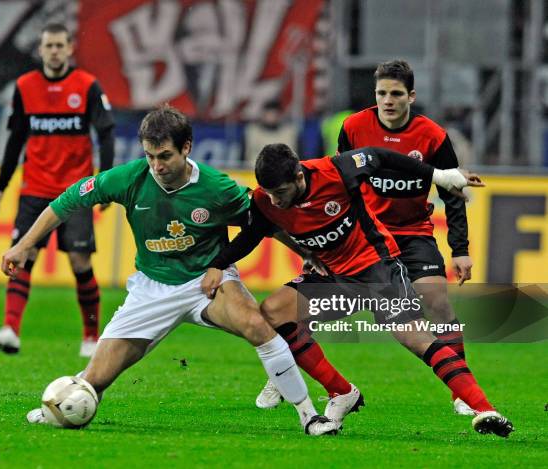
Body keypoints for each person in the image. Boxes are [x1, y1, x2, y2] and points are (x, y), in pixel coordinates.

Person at [8, 106, 339, 436]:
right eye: (150, 155)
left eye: (165, 155)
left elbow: (267, 223)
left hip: (207, 282)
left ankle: (309, 417)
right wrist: (24, 244)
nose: (157, 165)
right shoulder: (129, 178)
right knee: (94, 381)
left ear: (187, 147)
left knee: (257, 324)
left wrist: (306, 252)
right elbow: (68, 200)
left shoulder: (216, 188)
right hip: (151, 289)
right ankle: (59, 406)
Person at [202, 143, 514, 438]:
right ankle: (341, 392)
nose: (275, 201)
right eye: (269, 193)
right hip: (334, 277)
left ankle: (485, 409)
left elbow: (381, 157)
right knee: (272, 311)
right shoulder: (264, 201)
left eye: (280, 192)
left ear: (299, 176)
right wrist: (218, 264)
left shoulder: (336, 171)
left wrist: (441, 176)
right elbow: (251, 235)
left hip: (377, 270)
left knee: (417, 340)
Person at [254, 59, 480, 416]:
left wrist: (461, 250)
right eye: (381, 93)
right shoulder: (354, 126)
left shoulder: (433, 135)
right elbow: (339, 180)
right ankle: (285, 374)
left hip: (413, 232)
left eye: (395, 93)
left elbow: (450, 188)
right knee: (298, 309)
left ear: (411, 96)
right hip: (362, 235)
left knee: (436, 300)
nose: (388, 101)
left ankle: (462, 394)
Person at [0, 23, 115, 358]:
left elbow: (106, 133)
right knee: (21, 255)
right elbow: (15, 140)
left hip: (76, 192)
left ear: (70, 48)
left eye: (59, 45)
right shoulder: (25, 87)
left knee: (80, 262)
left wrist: (106, 183)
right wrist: (0, 187)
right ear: (40, 50)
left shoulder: (86, 86)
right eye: (48, 46)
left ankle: (90, 337)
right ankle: (10, 329)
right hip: (35, 189)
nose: (54, 51)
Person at [244, 99, 299, 168]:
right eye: (269, 114)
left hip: (282, 173)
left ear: (279, 116)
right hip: (252, 172)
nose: (271, 117)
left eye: (274, 114)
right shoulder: (252, 132)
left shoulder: (289, 133)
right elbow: (244, 155)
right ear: (263, 115)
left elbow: (295, 157)